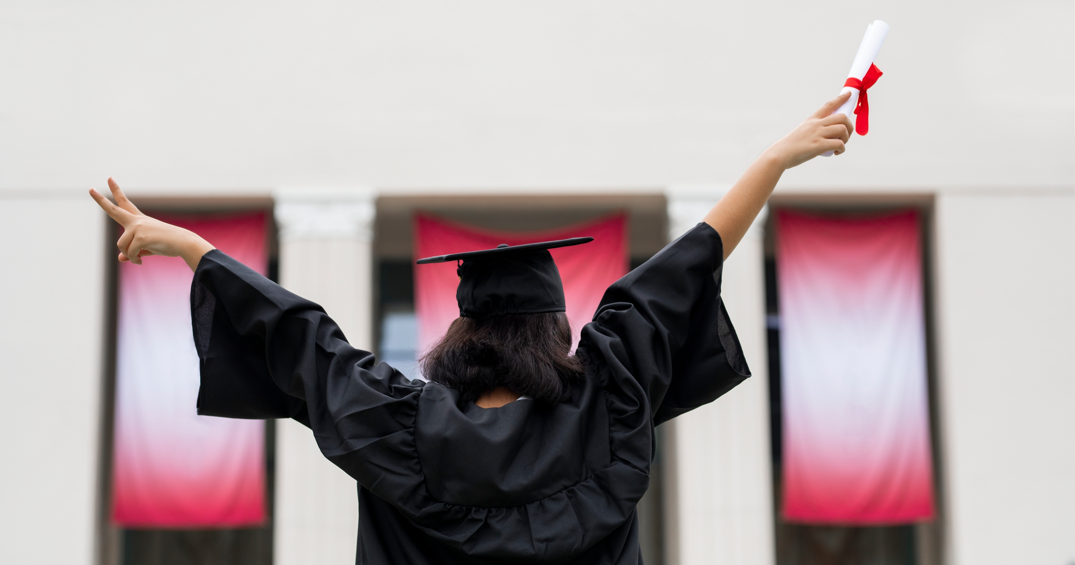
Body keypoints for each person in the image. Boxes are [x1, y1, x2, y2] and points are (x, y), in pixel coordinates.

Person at [90, 93, 855, 565]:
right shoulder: (607, 404)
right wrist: (772, 161)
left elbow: (297, 335)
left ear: (462, 334)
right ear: (554, 332)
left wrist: (192, 247)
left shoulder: (396, 424)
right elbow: (683, 267)